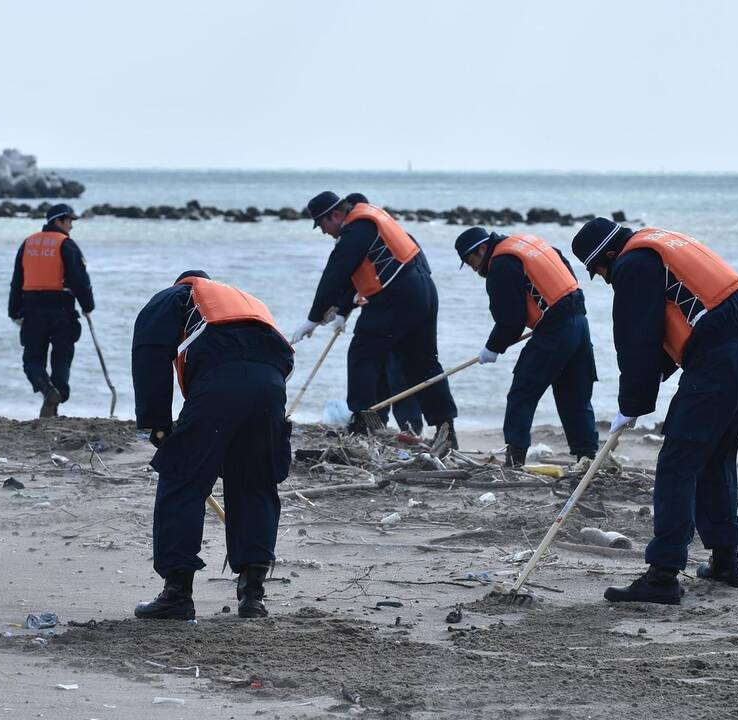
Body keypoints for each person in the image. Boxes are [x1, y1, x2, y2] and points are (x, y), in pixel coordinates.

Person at [571, 218, 738, 604]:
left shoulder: (633, 263)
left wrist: (631, 404)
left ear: (608, 255)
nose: (605, 280)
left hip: (716, 362)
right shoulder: (663, 243)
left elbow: (637, 339)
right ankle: (727, 562)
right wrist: (640, 395)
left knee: (678, 464)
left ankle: (662, 576)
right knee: (716, 458)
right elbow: (681, 327)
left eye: (599, 272)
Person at [131, 271, 294, 620]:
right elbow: (281, 357)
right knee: (255, 483)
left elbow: (149, 351)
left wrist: (157, 422)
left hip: (221, 380)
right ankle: (252, 595)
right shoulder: (244, 302)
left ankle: (177, 594)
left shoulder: (176, 296)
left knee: (182, 480)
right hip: (271, 384)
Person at [293, 191, 458, 441]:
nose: (324, 232)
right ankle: (446, 431)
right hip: (423, 291)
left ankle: (363, 423)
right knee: (423, 363)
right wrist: (343, 311)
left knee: (362, 355)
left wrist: (313, 318)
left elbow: (336, 272)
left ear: (336, 215)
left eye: (323, 224)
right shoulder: (371, 222)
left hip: (397, 296)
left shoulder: (357, 227)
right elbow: (355, 272)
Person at [454, 227, 598, 466]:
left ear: (482, 249)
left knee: (523, 392)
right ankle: (587, 457)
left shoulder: (501, 264)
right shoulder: (526, 243)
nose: (473, 268)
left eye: (471, 260)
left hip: (556, 330)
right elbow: (562, 264)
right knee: (575, 396)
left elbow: (511, 320)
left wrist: (492, 347)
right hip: (579, 321)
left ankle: (515, 457)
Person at [7, 203, 94, 418]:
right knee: (61, 359)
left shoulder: (28, 244)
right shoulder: (67, 245)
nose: (71, 226)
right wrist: (88, 305)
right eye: (69, 221)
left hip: (32, 310)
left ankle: (47, 392)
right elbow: (80, 280)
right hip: (62, 309)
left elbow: (17, 280)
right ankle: (57, 395)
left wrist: (14, 311)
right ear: (58, 220)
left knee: (32, 360)